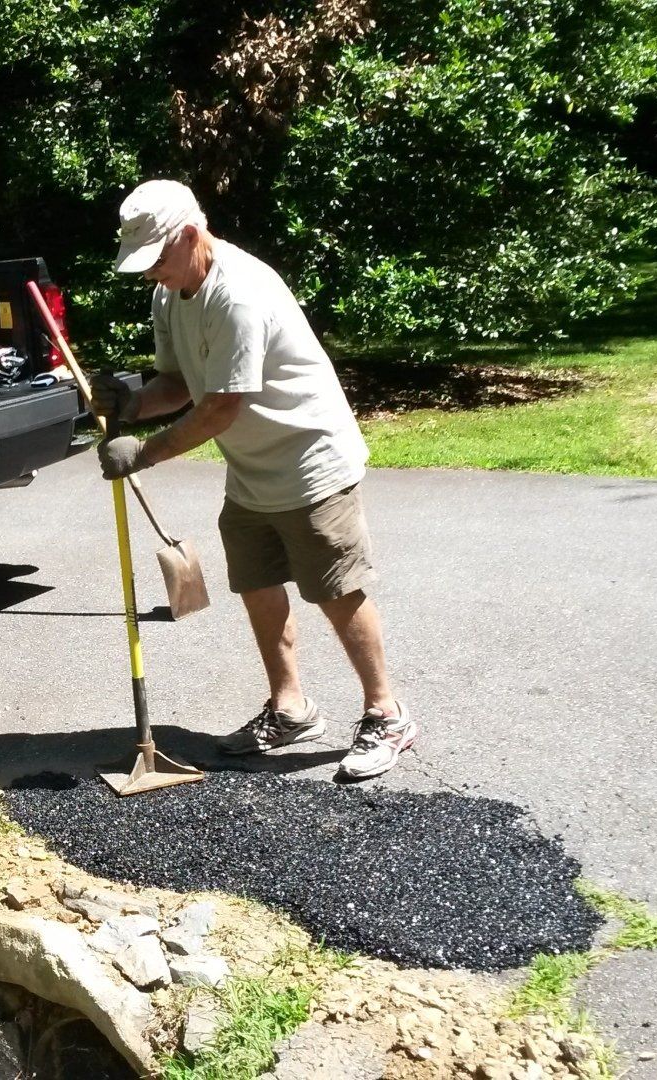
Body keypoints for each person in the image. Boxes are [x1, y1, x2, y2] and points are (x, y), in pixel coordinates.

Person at [93, 179, 416, 781]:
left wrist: (145, 452)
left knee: (336, 590)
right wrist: (132, 405)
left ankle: (387, 714)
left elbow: (220, 406)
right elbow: (180, 383)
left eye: (156, 257)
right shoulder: (170, 292)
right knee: (258, 585)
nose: (150, 272)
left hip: (310, 460)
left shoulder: (238, 293)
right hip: (250, 471)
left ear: (191, 235)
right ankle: (290, 708)